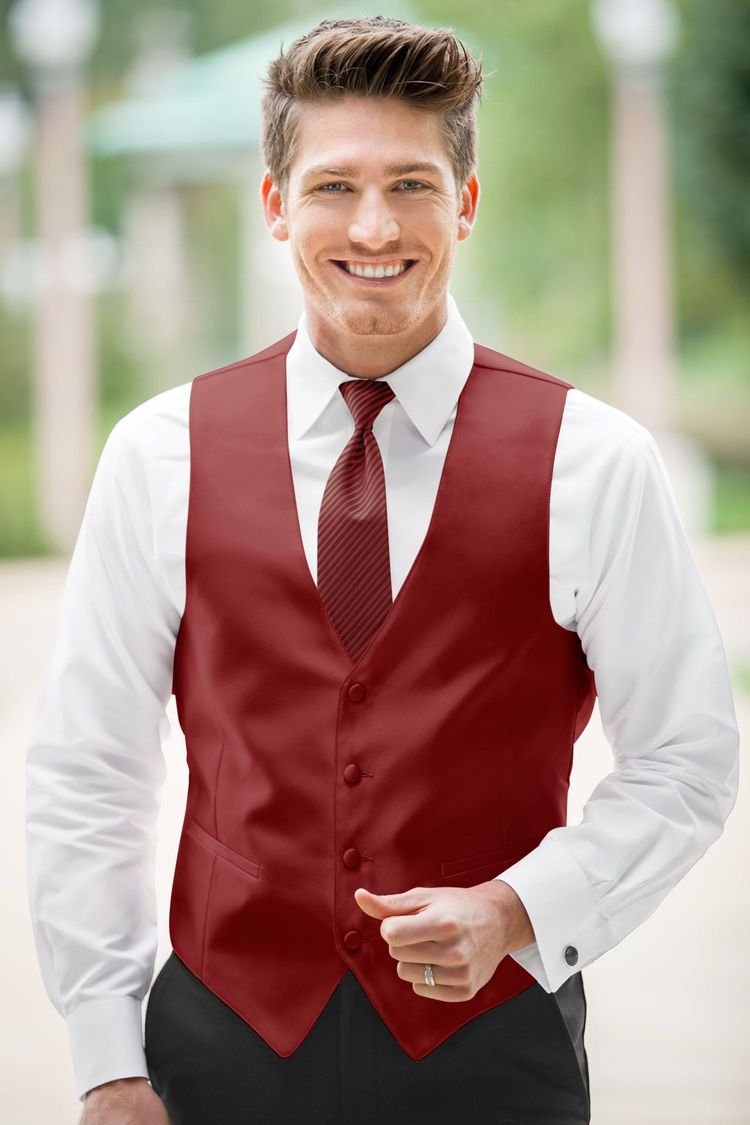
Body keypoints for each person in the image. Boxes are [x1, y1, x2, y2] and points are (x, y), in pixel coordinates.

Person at [25, 14, 739, 1125]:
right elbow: (88, 769)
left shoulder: (593, 461)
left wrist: (518, 908)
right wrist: (108, 1058)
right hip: (218, 1047)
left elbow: (687, 757)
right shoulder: (159, 454)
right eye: (333, 186)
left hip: (495, 1053)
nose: (374, 225)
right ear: (276, 204)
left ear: (466, 201)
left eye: (411, 184)